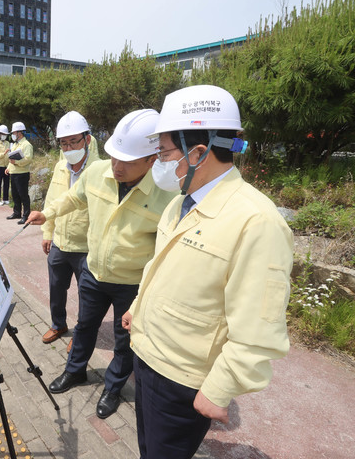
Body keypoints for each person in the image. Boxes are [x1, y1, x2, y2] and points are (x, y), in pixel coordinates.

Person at [122, 85, 293, 458]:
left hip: (183, 380)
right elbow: (160, 267)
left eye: (164, 154)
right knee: (147, 449)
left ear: (198, 152)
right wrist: (138, 305)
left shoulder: (256, 222)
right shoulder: (180, 203)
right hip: (148, 356)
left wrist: (219, 389)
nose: (159, 164)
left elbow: (260, 328)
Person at [27, 109, 176, 420]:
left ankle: (112, 388)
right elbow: (74, 198)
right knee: (84, 327)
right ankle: (75, 371)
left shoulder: (167, 195)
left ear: (152, 159)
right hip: (94, 272)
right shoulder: (97, 173)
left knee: (124, 341)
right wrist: (48, 214)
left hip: (132, 281)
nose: (117, 167)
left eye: (128, 161)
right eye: (114, 157)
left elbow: (167, 252)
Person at [39, 111, 99, 345]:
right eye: (64, 142)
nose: (68, 147)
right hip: (60, 242)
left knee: (86, 295)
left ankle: (81, 335)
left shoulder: (101, 169)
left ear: (87, 139)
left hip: (86, 246)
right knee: (56, 288)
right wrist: (47, 233)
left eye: (73, 140)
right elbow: (51, 201)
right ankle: (58, 324)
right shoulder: (59, 167)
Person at [5, 121, 33, 224]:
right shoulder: (15, 145)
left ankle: (26, 215)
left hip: (22, 173)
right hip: (14, 172)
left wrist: (16, 162)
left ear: (19, 133)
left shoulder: (27, 145)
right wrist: (8, 167)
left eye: (14, 133)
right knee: (15, 194)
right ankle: (17, 212)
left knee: (23, 195)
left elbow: (28, 159)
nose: (13, 135)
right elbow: (11, 157)